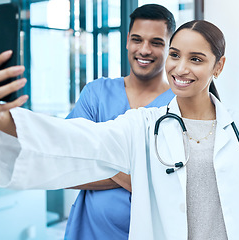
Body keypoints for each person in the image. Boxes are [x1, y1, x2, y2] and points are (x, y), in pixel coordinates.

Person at [0, 20, 239, 239]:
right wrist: (2, 119)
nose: (180, 68)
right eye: (175, 55)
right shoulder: (144, 125)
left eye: (197, 59)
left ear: (218, 66)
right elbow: (76, 140)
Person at [63, 4, 175, 239]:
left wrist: (99, 158)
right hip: (91, 232)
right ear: (127, 41)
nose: (144, 50)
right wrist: (134, 174)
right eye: (137, 39)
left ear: (170, 48)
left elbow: (176, 185)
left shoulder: (179, 105)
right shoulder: (96, 94)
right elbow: (65, 167)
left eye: (156, 42)